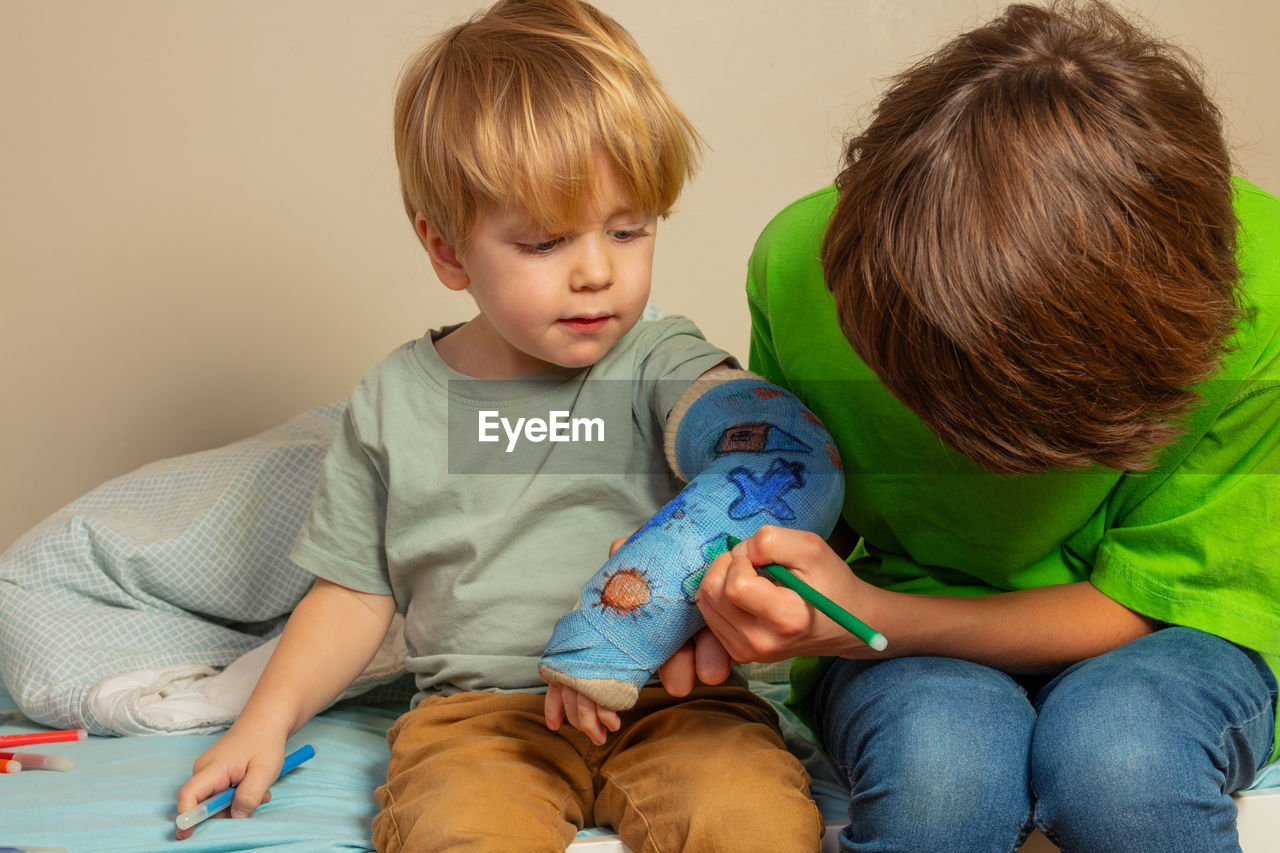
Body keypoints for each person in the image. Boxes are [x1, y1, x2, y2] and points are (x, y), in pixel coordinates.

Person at [175, 1, 836, 850]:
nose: (597, 271)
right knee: (454, 832)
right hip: (481, 718)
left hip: (679, 703)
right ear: (448, 249)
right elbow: (350, 593)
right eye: (544, 243)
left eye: (629, 229)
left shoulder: (659, 359)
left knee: (756, 825)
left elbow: (773, 450)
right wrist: (261, 724)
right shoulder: (393, 402)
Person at [677, 2, 1280, 852]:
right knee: (940, 775)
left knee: (1124, 759)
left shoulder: (1261, 281)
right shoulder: (801, 262)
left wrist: (871, 617)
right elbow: (802, 501)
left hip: (1176, 634)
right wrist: (749, 587)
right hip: (902, 631)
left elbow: (1155, 599)